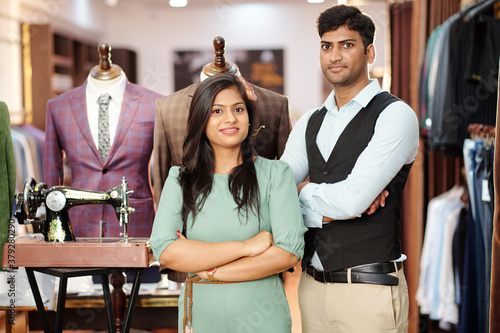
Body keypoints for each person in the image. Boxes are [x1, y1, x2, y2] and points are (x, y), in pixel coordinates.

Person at [280, 4, 419, 333]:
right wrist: (330, 203)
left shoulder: (395, 116)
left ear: (369, 52)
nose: (334, 56)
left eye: (347, 44)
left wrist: (304, 193)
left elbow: (352, 201)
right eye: (327, 46)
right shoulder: (308, 123)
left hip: (369, 289)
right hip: (311, 287)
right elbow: (276, 193)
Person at [149, 73, 306, 333]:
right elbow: (165, 249)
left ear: (249, 117)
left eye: (238, 109)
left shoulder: (276, 174)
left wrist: (211, 270)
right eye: (217, 111)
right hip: (199, 319)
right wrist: (246, 246)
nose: (230, 118)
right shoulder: (180, 179)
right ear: (201, 119)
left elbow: (287, 251)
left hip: (263, 320)